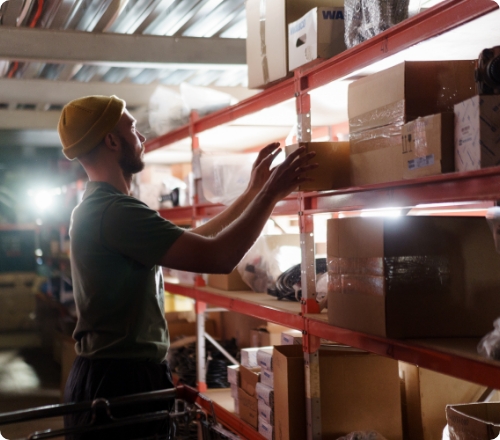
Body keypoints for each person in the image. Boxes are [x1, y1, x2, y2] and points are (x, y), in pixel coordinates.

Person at [57, 95, 316, 439]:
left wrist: (253, 191)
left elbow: (197, 240)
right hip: (120, 382)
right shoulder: (114, 212)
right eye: (132, 128)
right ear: (112, 140)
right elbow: (217, 258)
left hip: (111, 376)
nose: (142, 137)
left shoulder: (103, 208)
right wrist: (270, 194)